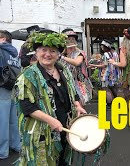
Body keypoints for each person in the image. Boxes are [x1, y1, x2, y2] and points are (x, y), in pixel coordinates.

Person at [14, 31, 87, 165]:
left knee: (63, 161)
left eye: (53, 51)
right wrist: (50, 120)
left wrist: (77, 105)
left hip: (65, 127)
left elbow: (72, 92)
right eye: (44, 50)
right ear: (36, 52)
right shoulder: (28, 76)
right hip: (42, 133)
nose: (48, 54)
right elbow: (27, 107)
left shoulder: (63, 70)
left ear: (59, 54)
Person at [0, 30, 21, 160]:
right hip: (13, 86)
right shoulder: (14, 52)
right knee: (13, 119)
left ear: (2, 39)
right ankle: (16, 145)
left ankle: (2, 151)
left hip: (2, 87)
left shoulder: (0, 50)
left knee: (2, 121)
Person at [109, 27, 130, 102]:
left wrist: (113, 62)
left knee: (127, 95)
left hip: (128, 75)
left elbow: (123, 64)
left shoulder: (124, 48)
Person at [60, 30, 93, 106]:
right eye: (68, 39)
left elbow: (76, 62)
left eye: (72, 39)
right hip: (66, 83)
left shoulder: (79, 53)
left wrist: (62, 57)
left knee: (80, 105)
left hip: (79, 83)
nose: (70, 41)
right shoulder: (63, 54)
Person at [89, 40, 119, 108]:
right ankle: (116, 101)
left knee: (105, 88)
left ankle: (109, 103)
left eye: (102, 46)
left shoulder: (105, 54)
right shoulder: (113, 53)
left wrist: (94, 65)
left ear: (105, 47)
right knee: (112, 88)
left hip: (105, 74)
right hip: (112, 73)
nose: (101, 47)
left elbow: (104, 65)